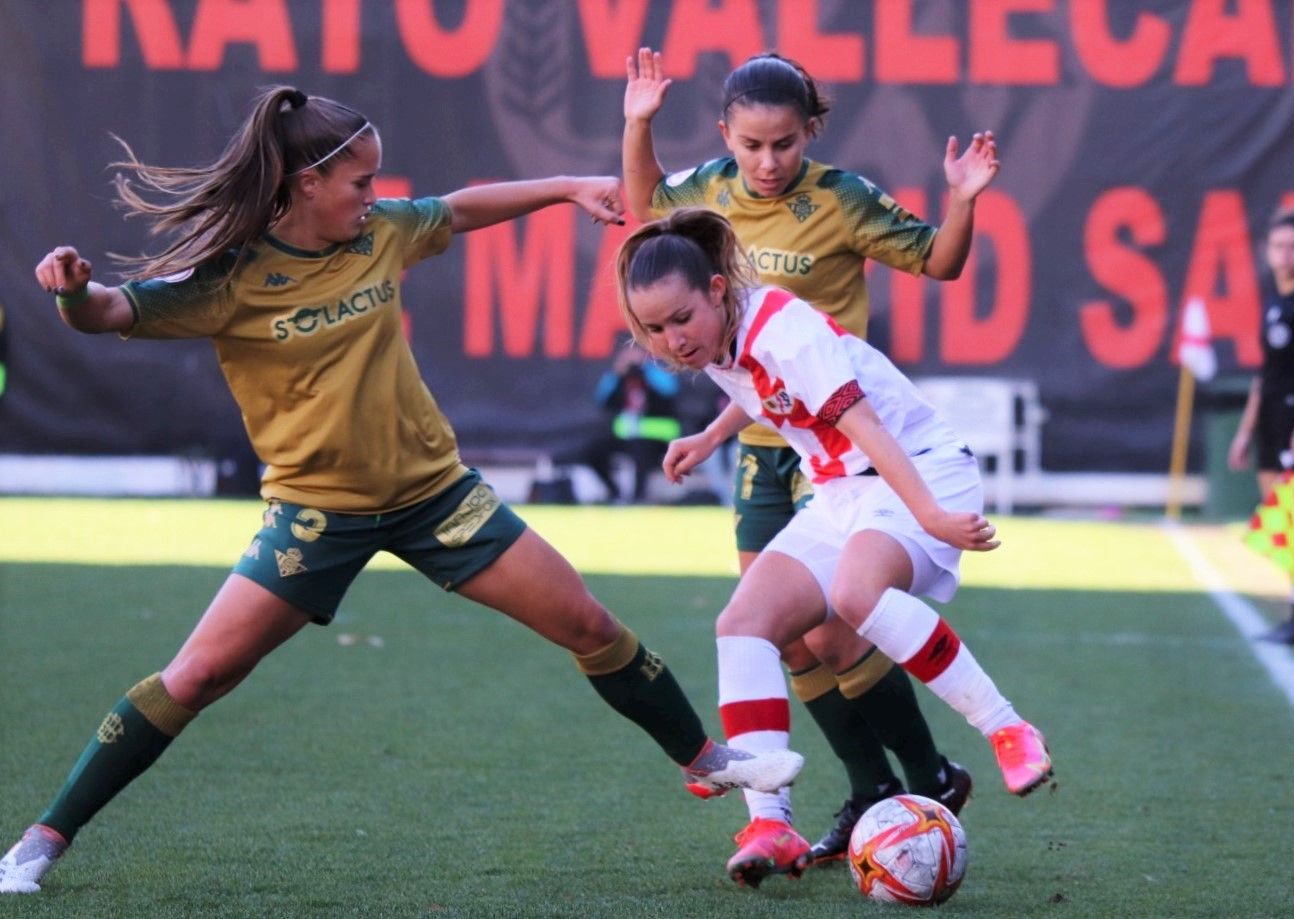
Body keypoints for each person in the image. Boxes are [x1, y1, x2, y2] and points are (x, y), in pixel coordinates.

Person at [0, 87, 804, 896]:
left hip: (439, 497)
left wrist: (563, 186)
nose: (375, 196)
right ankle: (43, 837)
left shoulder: (379, 235)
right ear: (307, 183)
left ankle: (707, 759)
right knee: (196, 677)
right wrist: (71, 291)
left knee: (589, 622)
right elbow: (106, 312)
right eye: (361, 181)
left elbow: (457, 208)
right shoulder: (233, 278)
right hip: (317, 516)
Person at [624, 48, 996, 864]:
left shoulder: (842, 198)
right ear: (726, 134)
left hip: (846, 439)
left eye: (783, 144)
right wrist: (638, 120)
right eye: (751, 145)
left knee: (840, 628)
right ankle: (866, 793)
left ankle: (922, 775)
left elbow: (941, 260)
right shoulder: (708, 191)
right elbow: (640, 207)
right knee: (787, 635)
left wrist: (963, 204)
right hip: (767, 443)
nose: (766, 161)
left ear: (810, 133)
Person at [614, 208, 1053, 887]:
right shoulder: (723, 338)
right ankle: (770, 819)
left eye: (679, 319)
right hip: (844, 491)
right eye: (653, 328)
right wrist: (707, 438)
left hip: (916, 468)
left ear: (716, 291)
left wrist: (932, 515)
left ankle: (1007, 727)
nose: (671, 340)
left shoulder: (784, 332)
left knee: (854, 594)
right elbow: (759, 390)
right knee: (743, 624)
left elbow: (867, 425)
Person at [1228, 209, 1294, 646]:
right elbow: (1266, 374)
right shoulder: (1275, 302)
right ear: (1267, 252)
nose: (1285, 255)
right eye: (1277, 246)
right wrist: (1245, 431)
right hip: (1271, 418)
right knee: (1284, 518)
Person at [563, 343, 683, 503]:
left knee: (641, 449)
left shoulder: (655, 374)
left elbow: (669, 389)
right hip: (628, 436)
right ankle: (615, 493)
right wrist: (618, 372)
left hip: (656, 438)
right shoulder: (620, 378)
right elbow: (602, 400)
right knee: (593, 451)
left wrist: (644, 369)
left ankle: (638, 498)